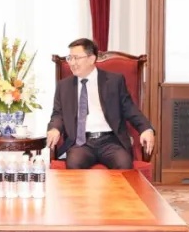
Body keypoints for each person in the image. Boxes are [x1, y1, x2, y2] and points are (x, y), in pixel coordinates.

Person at [46, 38, 155, 169]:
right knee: (74, 163)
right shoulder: (64, 86)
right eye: (70, 58)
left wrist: (146, 129)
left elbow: (130, 109)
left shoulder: (114, 81)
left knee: (124, 163)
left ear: (91, 59)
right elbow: (58, 114)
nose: (72, 63)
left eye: (76, 58)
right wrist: (54, 129)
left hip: (110, 141)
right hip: (80, 142)